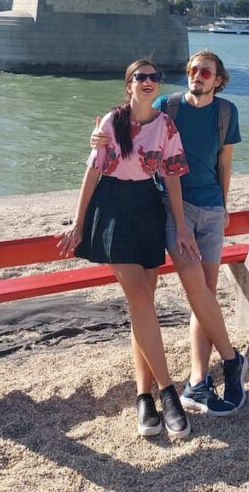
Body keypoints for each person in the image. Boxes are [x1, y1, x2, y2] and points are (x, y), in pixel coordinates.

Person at [94, 50, 248, 415]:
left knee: (204, 294)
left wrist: (224, 206)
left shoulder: (227, 113)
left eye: (205, 71)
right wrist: (99, 136)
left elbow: (225, 162)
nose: (197, 75)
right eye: (192, 69)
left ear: (218, 79)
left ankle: (196, 380)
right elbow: (133, 122)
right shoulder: (169, 107)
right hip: (173, 210)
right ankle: (231, 360)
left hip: (211, 210)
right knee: (196, 286)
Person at [59, 60, 198, 440]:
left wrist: (182, 227)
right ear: (129, 86)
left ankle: (142, 397)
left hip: (148, 209)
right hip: (113, 209)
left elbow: (171, 176)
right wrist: (79, 222)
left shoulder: (166, 126)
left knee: (144, 307)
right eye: (141, 77)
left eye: (154, 77)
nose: (150, 81)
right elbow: (93, 172)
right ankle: (167, 391)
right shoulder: (110, 122)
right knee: (139, 298)